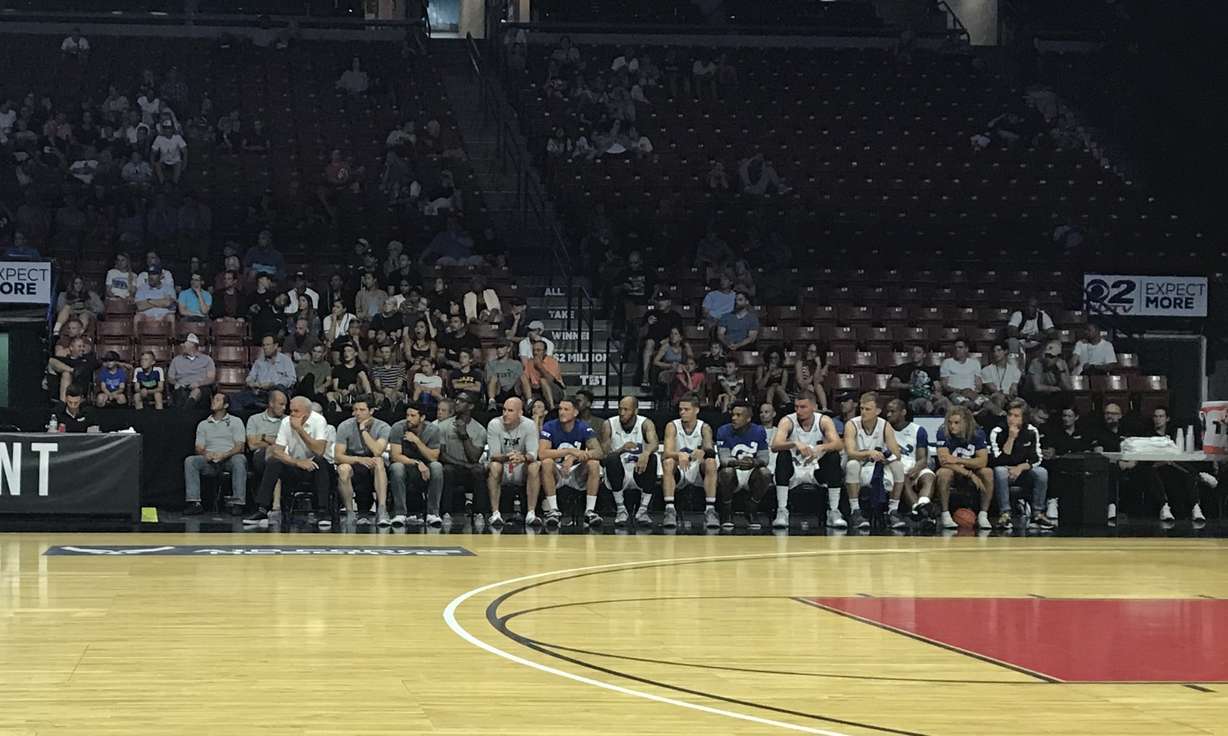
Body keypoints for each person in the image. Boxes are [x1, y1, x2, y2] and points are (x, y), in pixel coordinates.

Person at [245, 396, 332, 528]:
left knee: (320, 461)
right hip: (294, 465)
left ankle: (323, 511)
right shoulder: (286, 422)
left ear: (308, 413)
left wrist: (300, 430)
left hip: (314, 466)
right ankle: (262, 509)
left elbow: (319, 450)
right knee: (274, 461)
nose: (292, 414)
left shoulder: (319, 421)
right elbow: (278, 451)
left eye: (296, 411)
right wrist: (297, 462)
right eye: (291, 410)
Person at [771, 392, 848, 530]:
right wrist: (794, 443)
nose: (798, 411)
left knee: (834, 456)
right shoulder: (787, 421)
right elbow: (775, 445)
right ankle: (782, 510)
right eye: (796, 407)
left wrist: (821, 447)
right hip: (793, 470)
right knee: (782, 454)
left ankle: (834, 511)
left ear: (813, 407)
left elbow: (838, 444)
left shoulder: (823, 421)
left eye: (803, 407)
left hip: (816, 470)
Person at [841, 392, 908, 530]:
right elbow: (851, 453)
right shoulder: (852, 424)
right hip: (856, 466)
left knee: (898, 465)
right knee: (852, 464)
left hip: (876, 466)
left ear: (877, 411)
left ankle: (892, 511)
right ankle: (855, 511)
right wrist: (868, 453)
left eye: (868, 409)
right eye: (862, 408)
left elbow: (896, 453)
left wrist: (882, 456)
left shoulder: (885, 425)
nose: (863, 412)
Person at [988, 399, 1053, 531]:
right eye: (1009, 415)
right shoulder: (997, 431)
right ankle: (1005, 514)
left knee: (1041, 472)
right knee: (1000, 470)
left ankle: (1037, 513)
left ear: (1024, 418)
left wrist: (1020, 467)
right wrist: (1011, 438)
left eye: (1016, 416)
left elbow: (1037, 458)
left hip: (1023, 472)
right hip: (1004, 473)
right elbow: (999, 461)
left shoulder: (1031, 431)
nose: (1011, 419)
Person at [539, 397, 604, 528]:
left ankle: (589, 511)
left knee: (594, 464)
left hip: (576, 473)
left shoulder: (583, 428)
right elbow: (542, 453)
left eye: (566, 409)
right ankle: (554, 511)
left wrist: (575, 457)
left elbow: (599, 452)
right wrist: (570, 451)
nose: (561, 412)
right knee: (546, 462)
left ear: (575, 413)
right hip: (557, 471)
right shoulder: (549, 426)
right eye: (560, 409)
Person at [598, 396, 660, 527]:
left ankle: (643, 510)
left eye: (626, 409)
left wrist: (646, 453)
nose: (622, 413)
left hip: (639, 470)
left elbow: (654, 443)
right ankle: (621, 510)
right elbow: (603, 455)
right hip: (618, 473)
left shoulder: (645, 423)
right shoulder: (609, 424)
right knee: (612, 458)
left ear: (635, 411)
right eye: (620, 409)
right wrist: (621, 449)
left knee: (653, 458)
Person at [183, 393, 248, 516]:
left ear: (226, 405)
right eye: (213, 399)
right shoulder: (203, 424)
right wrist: (206, 453)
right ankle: (194, 503)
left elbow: (240, 447)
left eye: (218, 400)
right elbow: (199, 447)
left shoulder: (236, 421)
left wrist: (224, 455)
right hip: (210, 460)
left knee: (240, 459)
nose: (213, 401)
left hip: (229, 458)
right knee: (190, 461)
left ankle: (238, 503)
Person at [659, 394, 717, 529]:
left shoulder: (704, 427)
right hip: (678, 468)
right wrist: (679, 454)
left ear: (696, 410)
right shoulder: (672, 426)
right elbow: (667, 452)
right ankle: (669, 510)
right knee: (668, 462)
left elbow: (709, 449)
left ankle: (710, 510)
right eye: (680, 409)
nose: (682, 412)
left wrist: (703, 450)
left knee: (710, 462)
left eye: (686, 409)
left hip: (696, 469)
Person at [934, 405, 995, 530]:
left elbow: (983, 461)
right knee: (944, 473)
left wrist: (957, 459)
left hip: (970, 468)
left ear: (966, 423)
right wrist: (969, 474)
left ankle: (983, 515)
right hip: (954, 470)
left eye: (957, 423)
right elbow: (944, 462)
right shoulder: (942, 431)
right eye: (950, 422)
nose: (952, 426)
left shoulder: (977, 433)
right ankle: (945, 514)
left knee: (987, 472)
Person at [484, 397, 542, 527]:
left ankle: (531, 513)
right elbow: (494, 455)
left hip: (521, 466)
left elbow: (533, 454)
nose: (505, 414)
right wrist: (508, 457)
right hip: (503, 465)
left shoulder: (529, 425)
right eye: (504, 410)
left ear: (520, 413)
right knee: (494, 466)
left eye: (510, 411)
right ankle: (495, 514)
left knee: (534, 466)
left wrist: (522, 458)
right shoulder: (494, 424)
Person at [334, 398, 392, 526]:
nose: (357, 413)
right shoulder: (344, 426)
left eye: (362, 410)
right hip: (353, 460)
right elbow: (338, 456)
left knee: (378, 461)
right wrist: (359, 460)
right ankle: (350, 512)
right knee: (343, 469)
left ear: (371, 411)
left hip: (373, 461)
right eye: (355, 410)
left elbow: (377, 451)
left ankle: (382, 510)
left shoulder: (383, 427)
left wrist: (364, 431)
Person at [715, 400, 772, 530]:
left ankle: (752, 508)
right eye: (733, 415)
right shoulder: (723, 430)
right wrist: (737, 462)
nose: (734, 418)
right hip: (733, 471)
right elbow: (724, 459)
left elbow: (764, 458)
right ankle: (726, 510)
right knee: (726, 472)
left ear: (748, 419)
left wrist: (754, 462)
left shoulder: (759, 431)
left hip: (752, 471)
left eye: (738, 415)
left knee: (765, 473)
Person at [388, 404, 445, 526]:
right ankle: (400, 513)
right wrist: (417, 463)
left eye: (413, 416)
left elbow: (433, 457)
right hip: (406, 466)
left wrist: (417, 441)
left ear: (422, 417)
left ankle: (433, 513)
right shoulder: (398, 428)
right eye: (407, 415)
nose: (409, 418)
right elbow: (395, 456)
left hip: (427, 468)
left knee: (437, 466)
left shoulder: (433, 430)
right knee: (396, 467)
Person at [435, 392, 488, 519]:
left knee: (479, 471)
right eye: (456, 400)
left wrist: (464, 435)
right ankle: (446, 512)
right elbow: (441, 454)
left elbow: (474, 457)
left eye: (462, 401)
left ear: (470, 406)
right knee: (447, 470)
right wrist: (464, 465)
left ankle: (479, 512)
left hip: (470, 468)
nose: (457, 403)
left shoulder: (479, 430)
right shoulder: (443, 426)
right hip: (452, 466)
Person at [883, 398, 936, 523]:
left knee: (928, 476)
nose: (889, 414)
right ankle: (922, 512)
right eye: (888, 411)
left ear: (903, 412)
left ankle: (922, 504)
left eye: (893, 411)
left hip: (914, 465)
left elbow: (922, 459)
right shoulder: (883, 429)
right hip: (893, 467)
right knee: (902, 477)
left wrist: (915, 470)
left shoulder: (918, 430)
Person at [246, 389, 287, 489]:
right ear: (271, 403)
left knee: (276, 462)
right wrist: (274, 443)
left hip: (283, 457)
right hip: (260, 457)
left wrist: (264, 437)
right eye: (281, 404)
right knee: (272, 458)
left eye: (285, 405)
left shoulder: (287, 421)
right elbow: (252, 445)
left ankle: (267, 500)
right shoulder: (254, 419)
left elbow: (289, 444)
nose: (284, 408)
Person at [890, 344, 947, 415]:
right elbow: (893, 384)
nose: (915, 354)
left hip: (929, 396)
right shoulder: (903, 368)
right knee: (925, 403)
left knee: (945, 401)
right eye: (913, 352)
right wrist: (909, 386)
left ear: (924, 355)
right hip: (911, 399)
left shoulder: (931, 370)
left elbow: (937, 387)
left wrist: (937, 394)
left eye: (918, 352)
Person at [167, 333, 216, 409]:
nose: (181, 345)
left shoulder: (207, 360)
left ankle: (185, 411)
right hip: (182, 387)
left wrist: (198, 383)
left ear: (192, 344)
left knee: (197, 391)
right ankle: (186, 411)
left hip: (201, 387)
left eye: (184, 343)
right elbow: (170, 378)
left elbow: (211, 378)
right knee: (180, 392)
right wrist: (177, 383)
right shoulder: (176, 360)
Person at [939, 339, 984, 410]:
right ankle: (973, 410)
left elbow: (979, 385)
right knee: (965, 403)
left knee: (986, 402)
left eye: (960, 347)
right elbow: (945, 385)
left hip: (972, 393)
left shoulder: (975, 363)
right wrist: (960, 391)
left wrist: (973, 392)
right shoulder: (947, 362)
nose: (957, 349)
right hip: (955, 393)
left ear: (966, 349)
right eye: (955, 348)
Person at [980, 341, 1023, 415]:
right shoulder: (986, 370)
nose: (996, 354)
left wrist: (1013, 393)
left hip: (1008, 397)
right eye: (994, 351)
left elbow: (1014, 387)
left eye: (999, 350)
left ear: (1006, 351)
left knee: (1022, 403)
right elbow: (992, 389)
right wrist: (1005, 395)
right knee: (999, 398)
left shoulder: (1015, 370)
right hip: (993, 396)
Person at [327, 343, 370, 412]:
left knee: (361, 374)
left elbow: (364, 383)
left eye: (349, 351)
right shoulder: (338, 369)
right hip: (343, 395)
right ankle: (338, 411)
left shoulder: (361, 367)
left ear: (355, 353)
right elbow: (335, 387)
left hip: (357, 394)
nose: (346, 353)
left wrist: (355, 386)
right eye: (345, 351)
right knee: (329, 394)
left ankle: (369, 398)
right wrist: (342, 391)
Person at [486, 341, 526, 406]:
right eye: (497, 348)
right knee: (493, 378)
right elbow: (488, 381)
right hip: (498, 390)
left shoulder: (516, 364)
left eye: (501, 347)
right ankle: (492, 402)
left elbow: (520, 381)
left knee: (523, 376)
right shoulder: (490, 364)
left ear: (508, 349)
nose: (499, 350)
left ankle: (529, 401)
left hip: (514, 390)